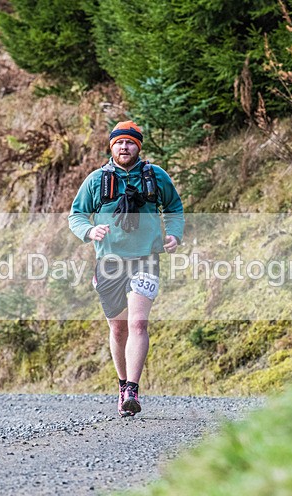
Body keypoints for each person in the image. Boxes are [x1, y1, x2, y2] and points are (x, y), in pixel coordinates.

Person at [68, 121, 184, 417]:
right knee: (118, 328)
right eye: (119, 142)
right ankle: (122, 385)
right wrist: (88, 231)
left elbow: (174, 208)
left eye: (130, 143)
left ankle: (132, 389)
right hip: (108, 262)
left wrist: (174, 234)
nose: (124, 147)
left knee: (138, 324)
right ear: (111, 147)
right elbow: (77, 214)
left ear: (138, 147)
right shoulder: (97, 180)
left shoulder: (156, 176)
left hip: (145, 258)